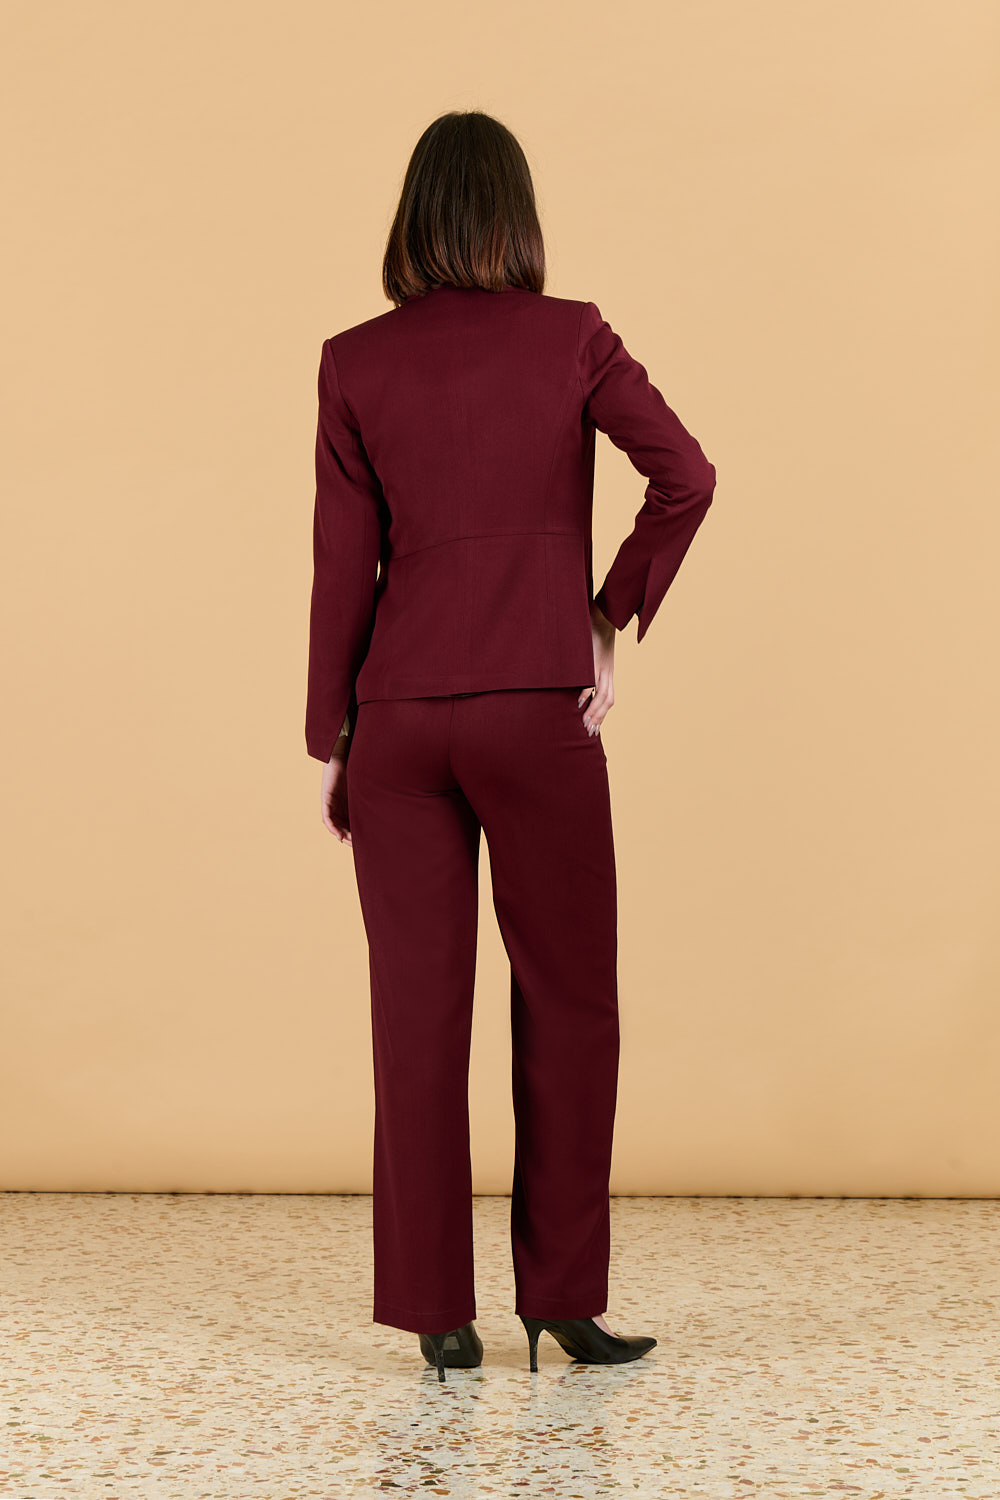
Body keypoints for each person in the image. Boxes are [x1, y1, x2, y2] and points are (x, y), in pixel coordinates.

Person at [305, 110, 717, 1382]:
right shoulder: (572, 336)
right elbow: (687, 475)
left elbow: (341, 564)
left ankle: (440, 1318)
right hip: (538, 708)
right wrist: (604, 614)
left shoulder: (353, 362)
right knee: (569, 1002)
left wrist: (334, 734)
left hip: (400, 718)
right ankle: (564, 1302)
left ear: (412, 219)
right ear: (516, 217)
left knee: (415, 1018)